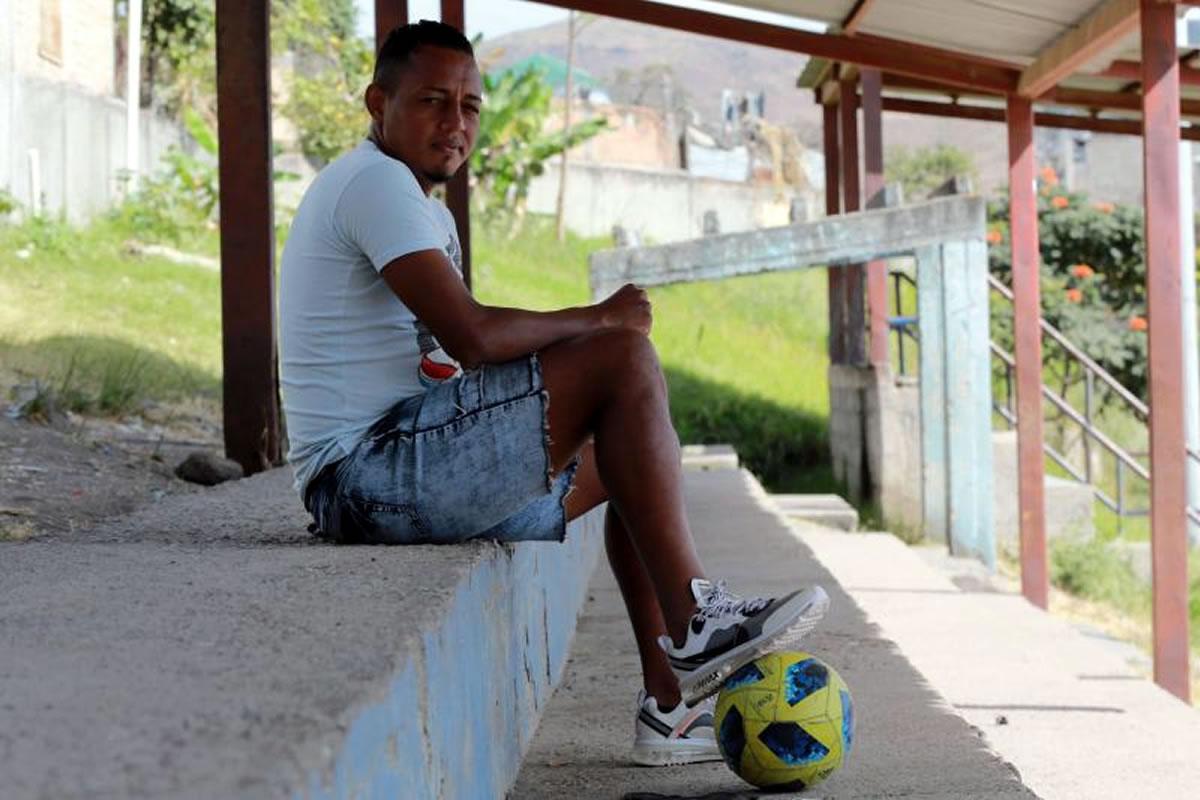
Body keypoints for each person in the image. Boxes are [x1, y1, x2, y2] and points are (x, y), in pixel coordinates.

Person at [279, 20, 829, 767]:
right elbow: (472, 336)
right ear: (380, 102)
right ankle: (696, 620)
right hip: (364, 477)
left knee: (632, 462)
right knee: (624, 359)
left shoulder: (418, 206)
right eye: (433, 101)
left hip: (394, 471)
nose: (455, 123)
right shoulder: (372, 182)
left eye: (470, 106)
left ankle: (667, 706)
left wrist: (574, 358)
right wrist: (599, 322)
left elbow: (453, 359)